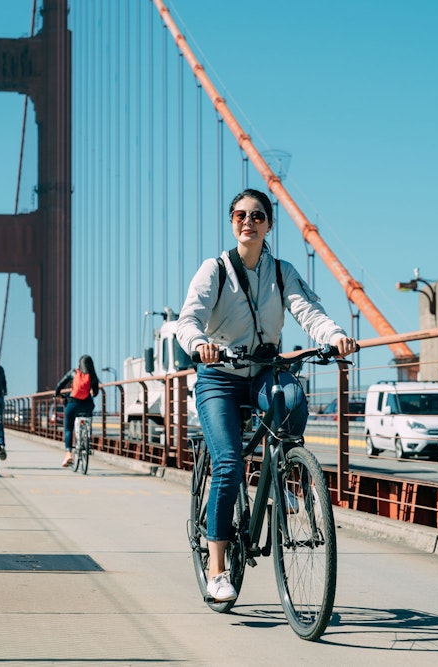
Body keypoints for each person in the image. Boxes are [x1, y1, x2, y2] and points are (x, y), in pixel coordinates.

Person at [176, 188, 358, 602]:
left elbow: (308, 311)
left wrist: (335, 336)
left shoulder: (281, 271)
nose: (248, 222)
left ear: (269, 225)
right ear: (231, 222)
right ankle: (218, 567)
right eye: (240, 215)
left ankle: (284, 475)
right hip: (219, 376)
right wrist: (199, 343)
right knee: (228, 465)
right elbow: (189, 318)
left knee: (292, 401)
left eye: (257, 216)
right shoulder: (215, 270)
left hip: (264, 371)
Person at [54, 354, 101, 467]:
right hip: (87, 405)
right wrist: (90, 393)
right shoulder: (93, 376)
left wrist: (57, 394)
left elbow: (59, 385)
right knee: (89, 411)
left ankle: (68, 453)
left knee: (68, 429)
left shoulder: (73, 373)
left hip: (73, 404)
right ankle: (87, 433)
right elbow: (95, 392)